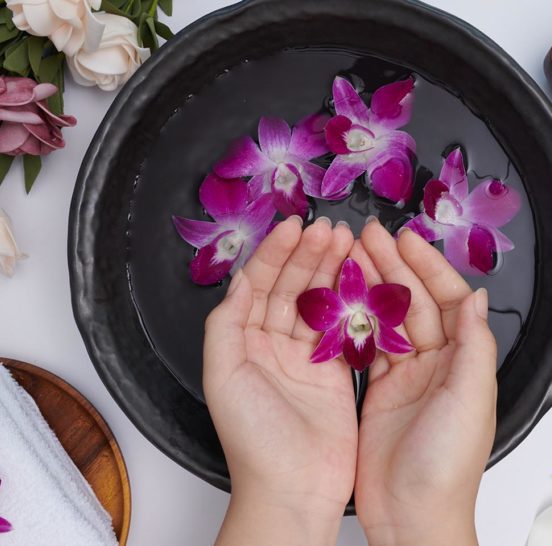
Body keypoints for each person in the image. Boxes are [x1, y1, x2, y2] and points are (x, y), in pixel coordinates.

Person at [203, 215, 498, 545]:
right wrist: (426, 517)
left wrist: (283, 502)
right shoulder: (336, 342)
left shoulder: (374, 338)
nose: (359, 330)